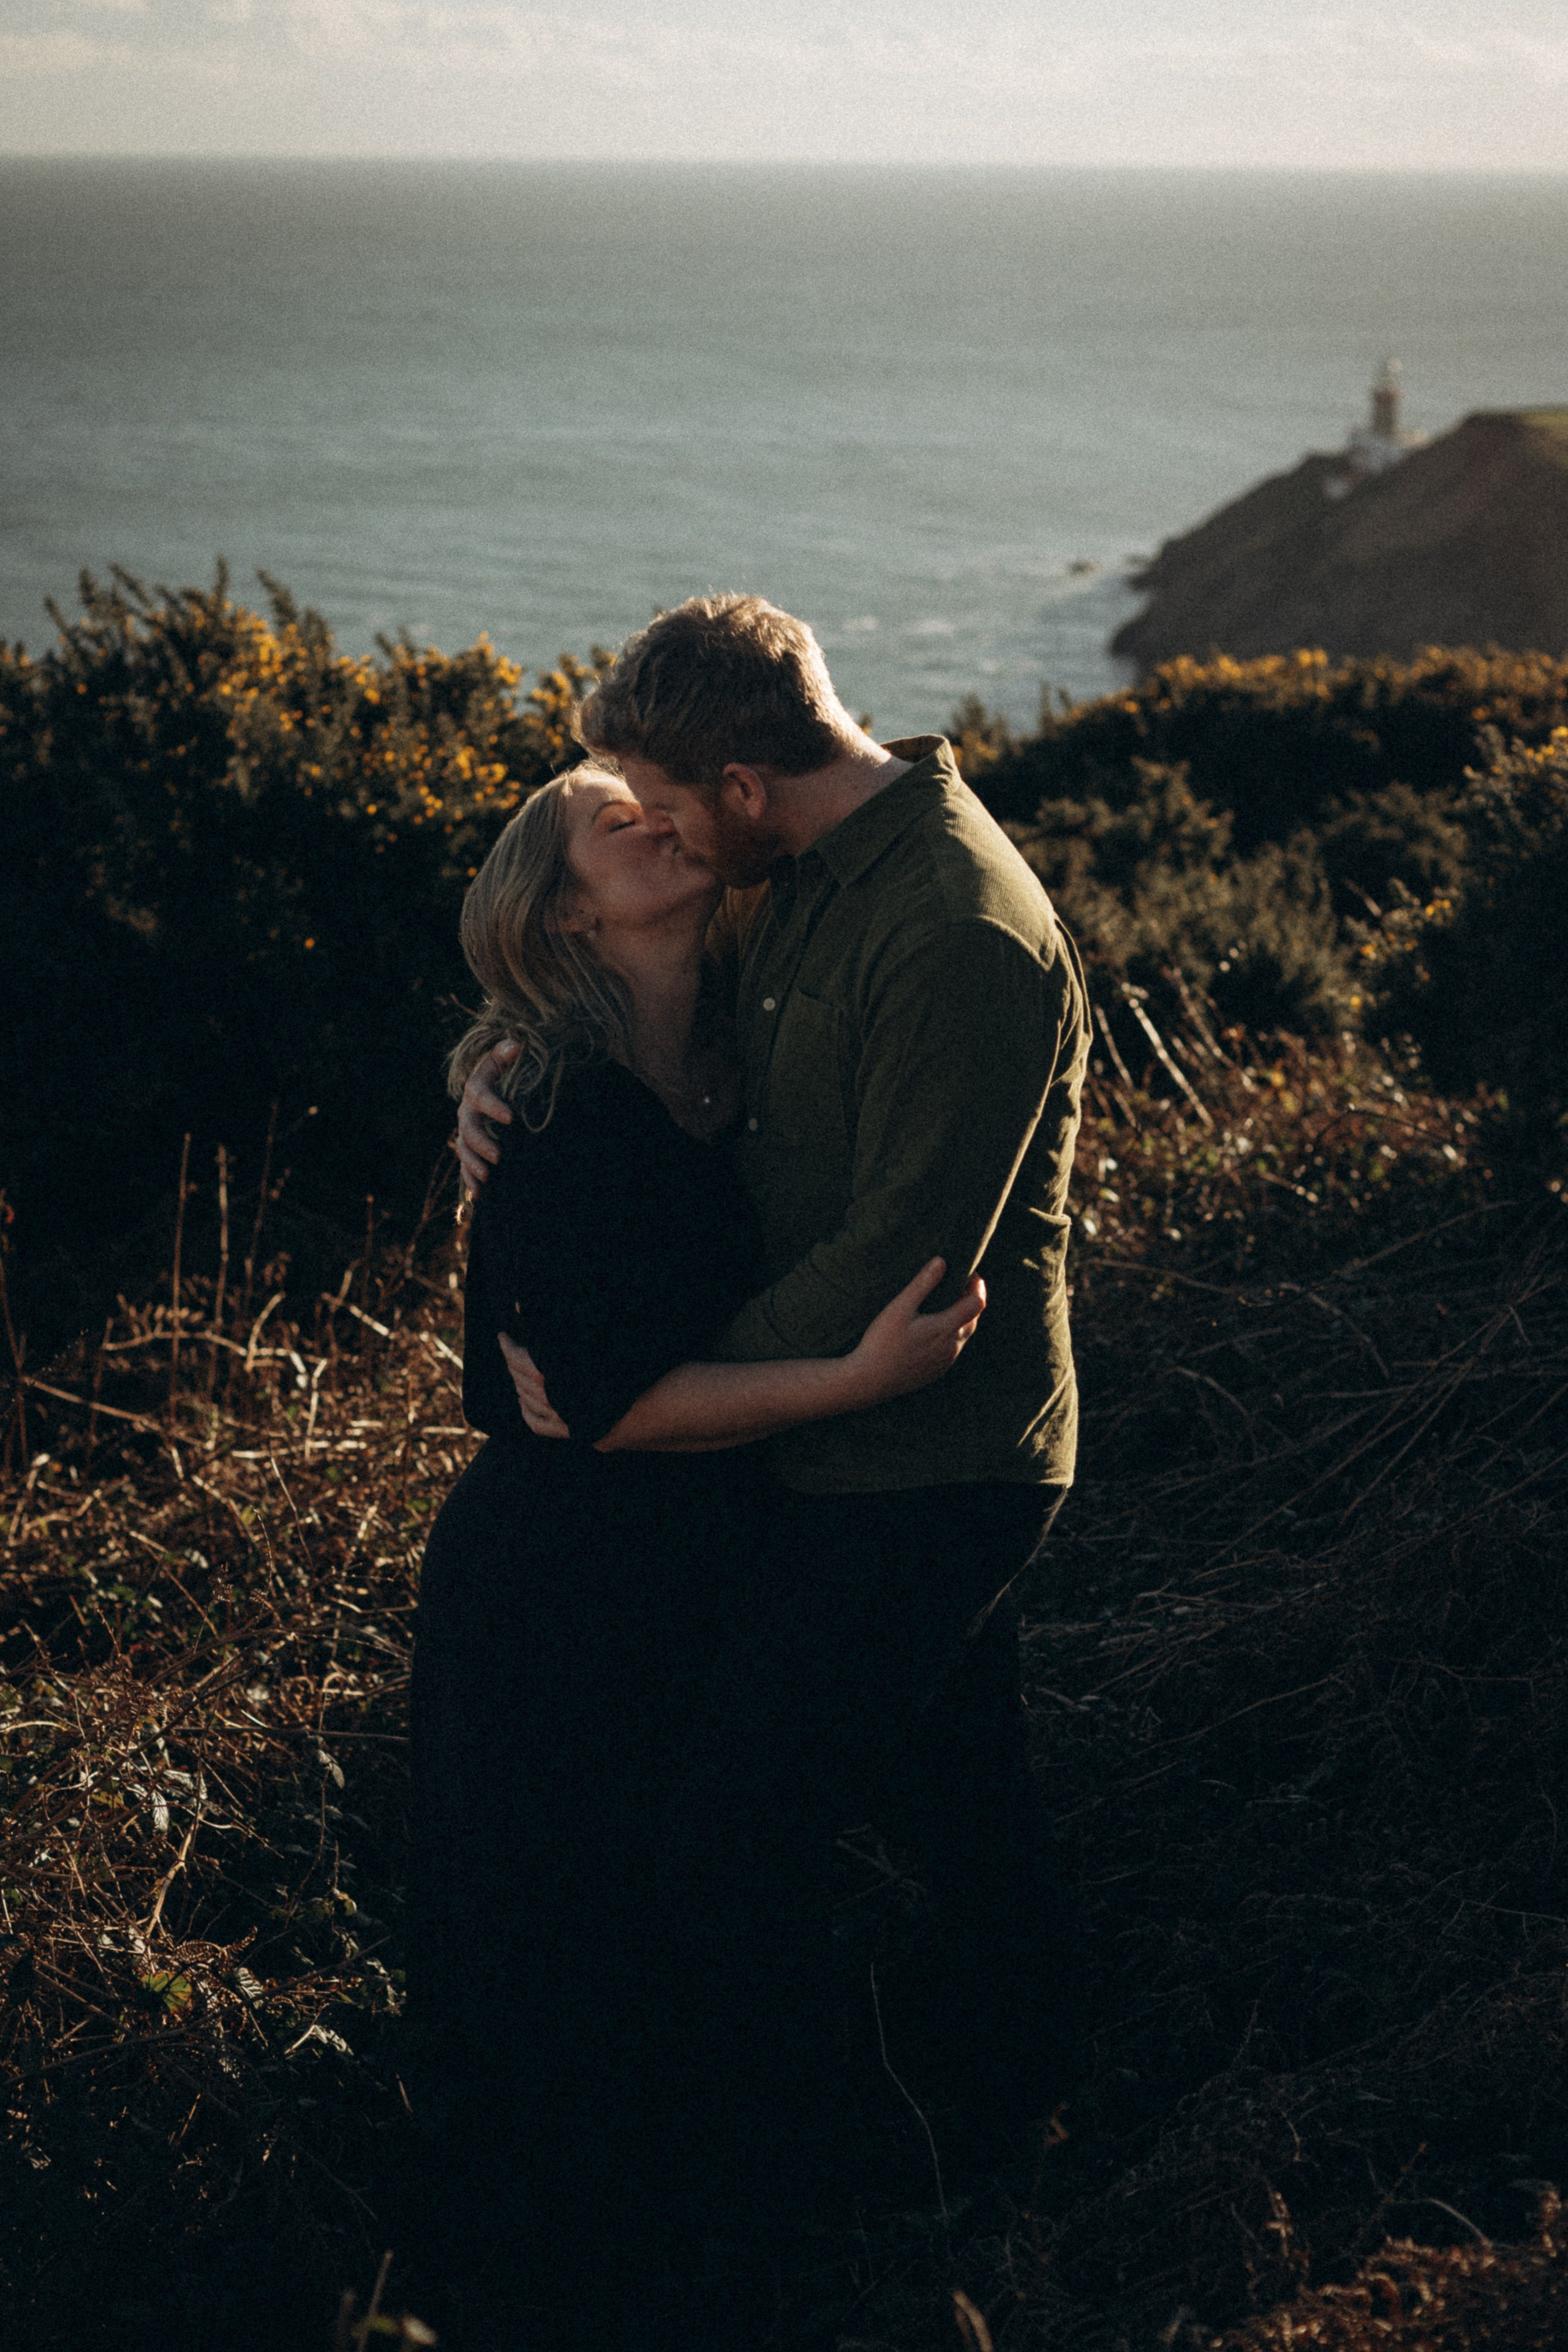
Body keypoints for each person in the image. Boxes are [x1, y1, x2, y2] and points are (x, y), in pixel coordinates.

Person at [456, 594, 1091, 2207]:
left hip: (921, 1452)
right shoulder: (790, 878)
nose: (652, 832)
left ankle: (841, 2195)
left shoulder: (947, 926)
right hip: (818, 1445)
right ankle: (1008, 2132)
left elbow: (903, 1258)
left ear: (743, 781)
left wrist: (669, 1380)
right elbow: (599, 995)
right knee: (961, 1807)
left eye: (665, 806)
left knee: (735, 1845)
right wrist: (496, 1079)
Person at [407, 759, 985, 2335]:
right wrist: (853, 1383)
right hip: (550, 1594)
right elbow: (591, 1411)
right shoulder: (560, 1104)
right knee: (558, 1963)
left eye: (662, 803)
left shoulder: (740, 1056)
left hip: (683, 1578)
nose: (660, 821)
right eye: (616, 823)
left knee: (674, 1927)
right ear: (562, 908)